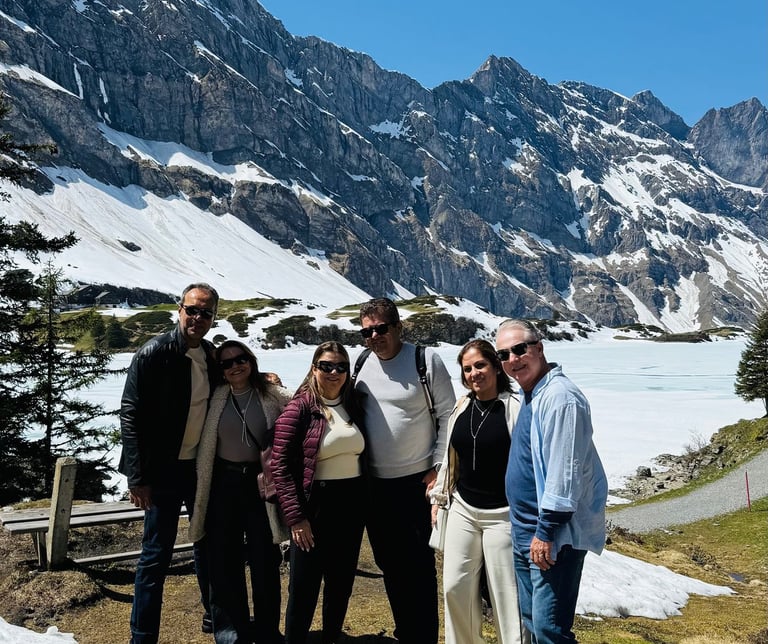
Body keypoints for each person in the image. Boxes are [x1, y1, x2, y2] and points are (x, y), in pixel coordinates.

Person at [496, 319, 608, 644]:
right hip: (526, 532)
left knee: (550, 630)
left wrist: (545, 532)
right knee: (533, 621)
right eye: (504, 354)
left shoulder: (561, 398)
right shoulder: (532, 394)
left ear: (539, 348)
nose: (513, 359)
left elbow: (564, 475)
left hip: (552, 538)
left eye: (520, 349)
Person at [352, 297, 456, 644]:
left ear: (398, 327)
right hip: (375, 485)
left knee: (419, 567)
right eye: (366, 331)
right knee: (389, 564)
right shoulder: (362, 363)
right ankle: (404, 632)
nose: (374, 337)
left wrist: (437, 468)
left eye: (381, 328)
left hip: (416, 484)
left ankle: (424, 636)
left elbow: (448, 418)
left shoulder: (425, 361)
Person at [119, 282, 218, 643]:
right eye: (191, 310)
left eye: (205, 313)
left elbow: (232, 385)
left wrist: (263, 378)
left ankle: (214, 615)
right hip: (161, 471)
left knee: (205, 543)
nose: (197, 317)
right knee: (155, 555)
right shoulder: (153, 352)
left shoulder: (209, 355)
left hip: (199, 468)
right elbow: (129, 414)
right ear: (180, 310)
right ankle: (142, 635)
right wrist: (137, 476)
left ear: (213, 318)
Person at [189, 340, 291, 644]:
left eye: (240, 359)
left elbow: (304, 400)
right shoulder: (216, 396)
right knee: (223, 560)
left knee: (265, 560)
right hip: (224, 483)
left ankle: (267, 631)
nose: (235, 366)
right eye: (227, 363)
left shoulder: (271, 393)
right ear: (220, 370)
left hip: (260, 485)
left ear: (251, 360)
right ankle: (231, 632)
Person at [431, 339, 526, 644]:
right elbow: (450, 456)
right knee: (454, 588)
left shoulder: (515, 409)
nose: (474, 373)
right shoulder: (461, 406)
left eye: (480, 365)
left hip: (503, 514)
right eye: (467, 368)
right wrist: (440, 498)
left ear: (497, 367)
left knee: (506, 595)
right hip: (462, 507)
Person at [271, 341, 366, 644]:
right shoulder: (300, 408)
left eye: (341, 366)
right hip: (315, 506)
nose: (334, 372)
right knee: (304, 586)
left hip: (351, 504)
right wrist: (296, 518)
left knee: (341, 584)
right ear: (314, 368)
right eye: (326, 366)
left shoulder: (354, 404)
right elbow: (280, 466)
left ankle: (331, 637)